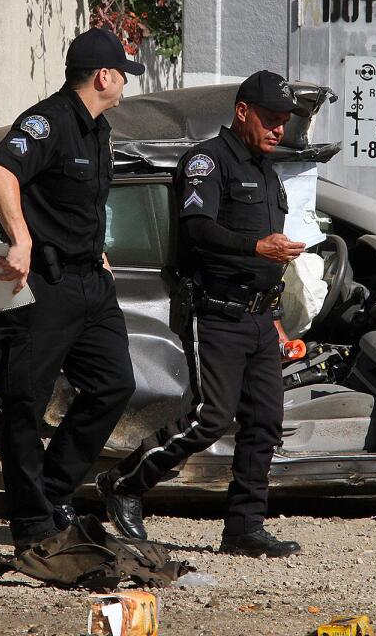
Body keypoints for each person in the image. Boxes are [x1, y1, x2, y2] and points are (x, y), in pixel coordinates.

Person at [96, 69, 308, 558]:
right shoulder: (207, 163)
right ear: (242, 112)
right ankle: (124, 482)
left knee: (264, 423)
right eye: (271, 119)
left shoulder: (265, 169)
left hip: (258, 317)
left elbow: (270, 256)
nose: (279, 129)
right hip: (215, 312)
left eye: (284, 122)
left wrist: (274, 310)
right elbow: (197, 230)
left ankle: (244, 528)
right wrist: (256, 246)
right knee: (211, 418)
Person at [0, 27, 144, 552]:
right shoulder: (45, 120)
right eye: (123, 75)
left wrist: (93, 245)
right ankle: (32, 524)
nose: (125, 85)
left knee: (114, 383)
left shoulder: (99, 130)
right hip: (25, 274)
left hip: (86, 278)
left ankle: (51, 492)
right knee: (23, 402)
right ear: (104, 75)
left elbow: (78, 203)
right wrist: (21, 240)